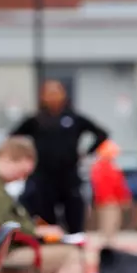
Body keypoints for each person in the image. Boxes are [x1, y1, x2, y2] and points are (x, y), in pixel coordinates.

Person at [0, 136, 86, 273]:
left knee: (66, 253)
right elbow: (2, 225)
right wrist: (36, 232)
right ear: (11, 158)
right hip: (3, 254)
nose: (21, 179)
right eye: (22, 173)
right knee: (71, 256)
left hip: (4, 251)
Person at [10, 79, 109, 234]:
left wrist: (87, 153)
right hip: (43, 177)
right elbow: (13, 137)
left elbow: (101, 133)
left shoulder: (74, 119)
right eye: (48, 93)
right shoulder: (36, 120)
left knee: (74, 214)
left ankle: (76, 244)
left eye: (56, 92)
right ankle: (50, 247)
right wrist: (25, 158)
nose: (53, 96)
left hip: (68, 175)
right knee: (44, 215)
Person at [89, 138, 132, 247]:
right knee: (108, 223)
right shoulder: (100, 167)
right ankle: (107, 246)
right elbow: (100, 185)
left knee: (113, 223)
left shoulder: (111, 166)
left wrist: (123, 198)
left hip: (114, 200)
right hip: (108, 201)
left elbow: (119, 184)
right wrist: (107, 198)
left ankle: (109, 244)